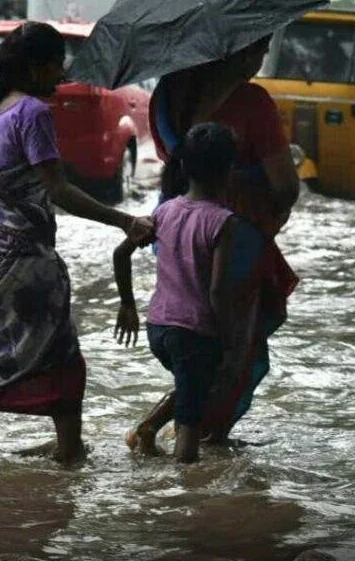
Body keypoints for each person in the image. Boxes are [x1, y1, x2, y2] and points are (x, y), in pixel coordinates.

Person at [0, 21, 154, 463]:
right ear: (37, 68)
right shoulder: (32, 114)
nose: (61, 77)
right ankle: (68, 459)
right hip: (23, 263)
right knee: (63, 364)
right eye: (57, 66)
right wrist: (124, 221)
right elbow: (58, 191)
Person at [126, 36, 300, 452]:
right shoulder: (252, 102)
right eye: (260, 49)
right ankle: (204, 441)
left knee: (195, 348)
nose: (261, 59)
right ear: (238, 50)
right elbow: (285, 188)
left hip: (175, 236)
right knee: (232, 353)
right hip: (233, 243)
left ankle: (161, 430)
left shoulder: (168, 93)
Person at [113, 122, 247, 463]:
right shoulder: (223, 221)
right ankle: (183, 504)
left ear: (185, 167)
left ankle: (148, 429)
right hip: (196, 333)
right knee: (189, 432)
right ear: (229, 171)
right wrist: (231, 339)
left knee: (195, 385)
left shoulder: (164, 210)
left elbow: (120, 253)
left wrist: (127, 305)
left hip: (159, 328)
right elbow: (217, 291)